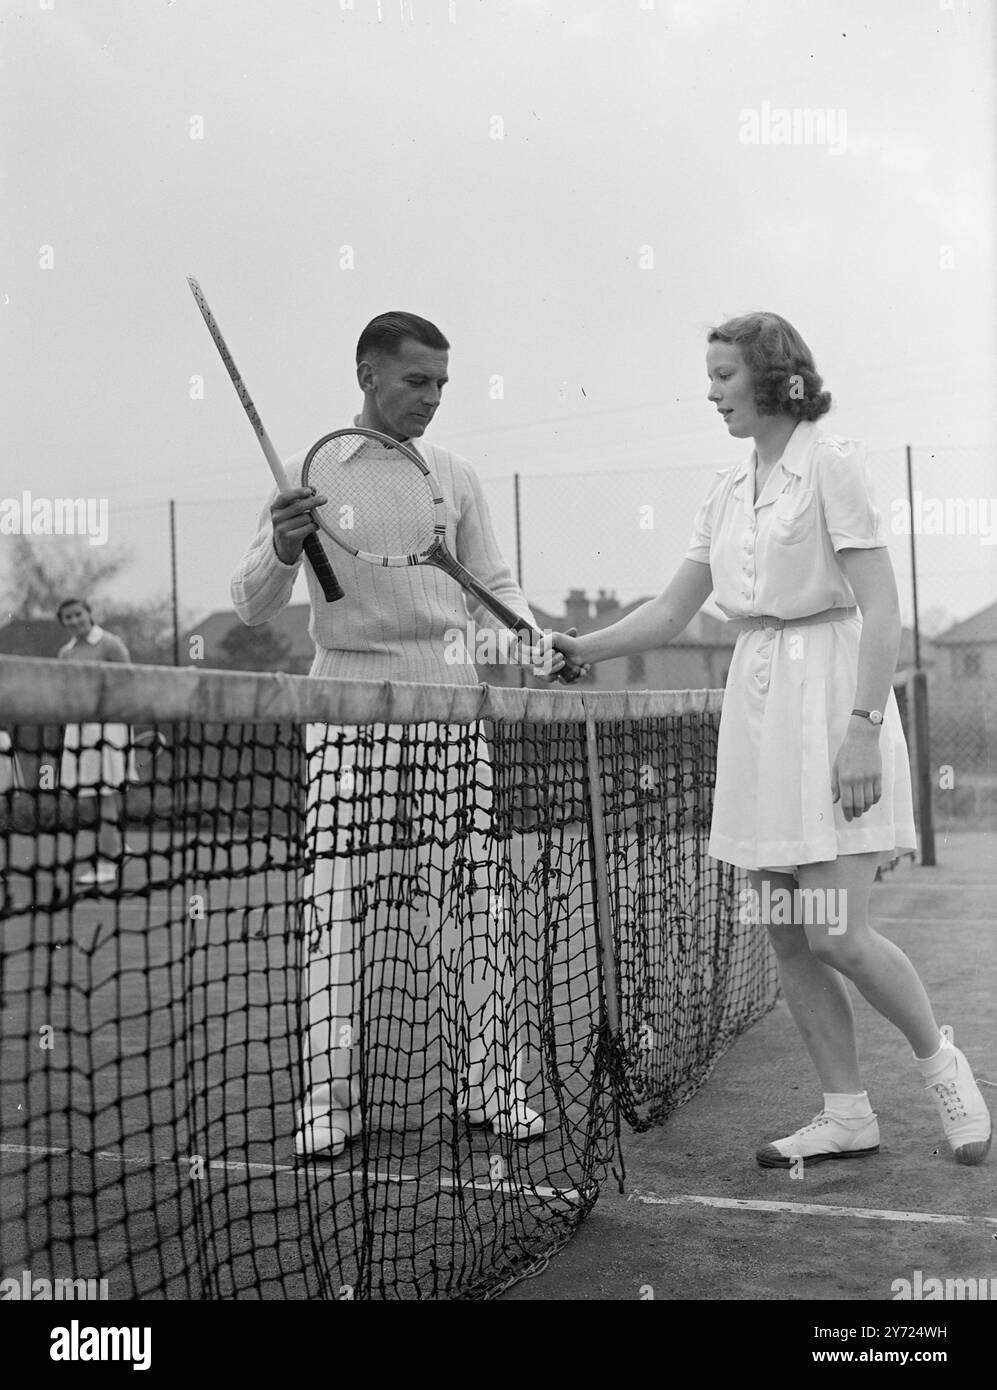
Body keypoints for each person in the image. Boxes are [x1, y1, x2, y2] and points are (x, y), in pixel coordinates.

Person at [549, 311, 991, 1168]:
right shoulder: (723, 490)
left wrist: (862, 730)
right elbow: (676, 608)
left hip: (833, 701)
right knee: (786, 930)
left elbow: (883, 608)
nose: (711, 391)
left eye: (723, 375)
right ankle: (845, 1112)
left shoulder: (831, 466)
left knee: (837, 932)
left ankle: (942, 1066)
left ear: (771, 377)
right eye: (709, 375)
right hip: (753, 710)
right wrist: (585, 649)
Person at [231, 311, 567, 1159]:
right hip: (346, 705)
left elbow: (493, 581)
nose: (431, 399)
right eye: (417, 381)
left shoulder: (453, 474)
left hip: (453, 699)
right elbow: (248, 603)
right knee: (336, 906)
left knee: (478, 903)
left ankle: (493, 1086)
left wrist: (526, 635)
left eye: (441, 385)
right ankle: (329, 1103)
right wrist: (280, 545)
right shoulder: (310, 478)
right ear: (367, 374)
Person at [57, 598, 137, 885]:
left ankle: (107, 863)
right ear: (63, 622)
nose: (75, 620)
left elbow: (128, 682)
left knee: (104, 796)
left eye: (78, 614)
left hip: (107, 728)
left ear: (89, 614)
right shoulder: (66, 653)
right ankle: (118, 848)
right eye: (68, 617)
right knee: (92, 797)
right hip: (79, 730)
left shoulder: (111, 644)